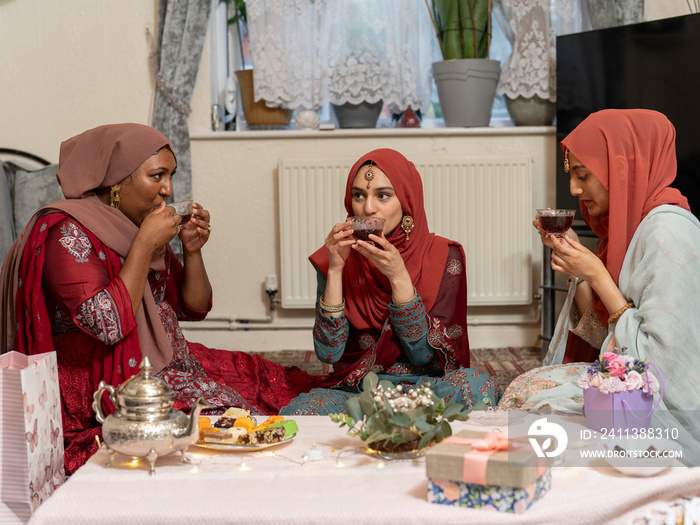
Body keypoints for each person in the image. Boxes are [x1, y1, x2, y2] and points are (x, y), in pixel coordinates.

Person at [0, 123, 318, 473]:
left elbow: (191, 307)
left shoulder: (135, 223)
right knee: (213, 424)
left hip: (159, 358)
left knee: (264, 384)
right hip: (104, 380)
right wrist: (144, 244)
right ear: (117, 181)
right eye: (157, 176)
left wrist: (192, 250)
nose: (167, 189)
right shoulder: (66, 231)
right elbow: (106, 324)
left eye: (171, 176)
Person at [503, 109, 700, 463]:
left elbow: (662, 366)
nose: (574, 189)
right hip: (628, 382)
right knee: (527, 389)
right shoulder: (628, 228)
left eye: (583, 175)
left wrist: (596, 274)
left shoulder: (669, 233)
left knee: (530, 403)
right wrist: (577, 265)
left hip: (670, 407)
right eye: (572, 175)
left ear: (622, 169)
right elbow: (604, 339)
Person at [281, 149, 499, 415]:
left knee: (477, 387)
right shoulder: (336, 256)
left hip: (427, 389)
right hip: (358, 390)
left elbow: (424, 356)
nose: (368, 207)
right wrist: (336, 270)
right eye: (359, 195)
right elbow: (329, 354)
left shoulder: (443, 255)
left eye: (383, 195)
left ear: (407, 202)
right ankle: (402, 425)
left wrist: (398, 275)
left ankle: (387, 424)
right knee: (302, 413)